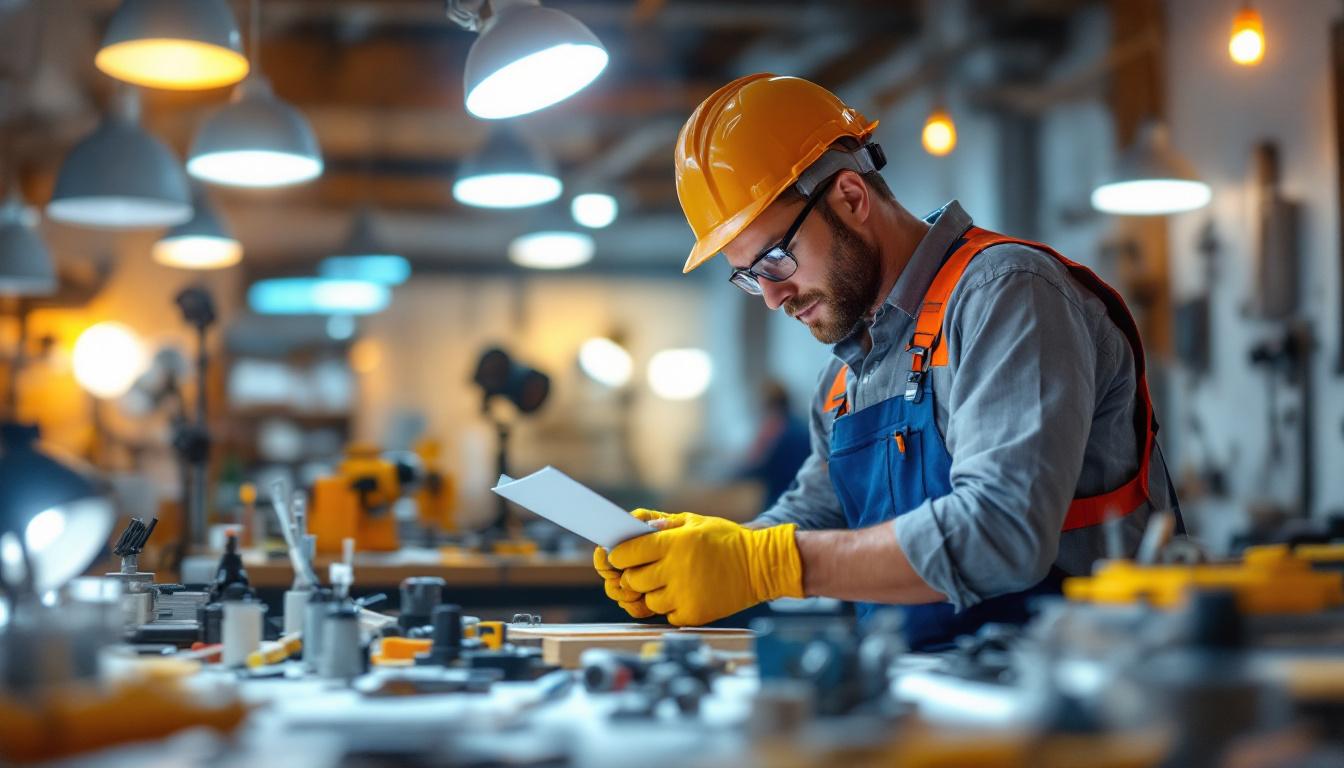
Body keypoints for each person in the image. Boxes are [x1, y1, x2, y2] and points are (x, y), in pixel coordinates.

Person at [593, 74, 1180, 650]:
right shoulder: (846, 375)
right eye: (749, 277)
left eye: (774, 259)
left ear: (851, 197)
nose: (772, 296)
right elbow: (820, 516)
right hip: (928, 694)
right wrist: (704, 554)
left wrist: (762, 564)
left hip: (1076, 694)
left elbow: (1002, 531)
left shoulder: (1004, 295)